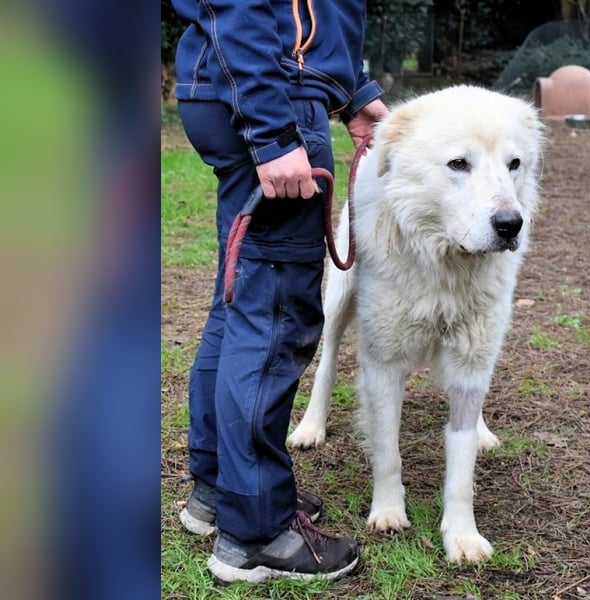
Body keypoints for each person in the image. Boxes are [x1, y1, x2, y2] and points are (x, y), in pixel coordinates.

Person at [170, 0, 389, 583]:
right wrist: (272, 131)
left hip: (250, 82)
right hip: (268, 93)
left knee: (240, 302)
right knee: (271, 316)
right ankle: (257, 531)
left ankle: (219, 493)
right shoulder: (270, 97)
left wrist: (350, 90)